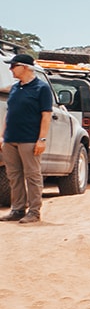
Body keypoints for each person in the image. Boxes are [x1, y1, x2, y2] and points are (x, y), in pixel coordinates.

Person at [3, 54, 53, 224]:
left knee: (32, 176)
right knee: (14, 176)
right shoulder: (15, 88)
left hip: (29, 140)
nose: (10, 69)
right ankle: (17, 209)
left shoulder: (41, 88)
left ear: (24, 67)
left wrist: (42, 140)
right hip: (11, 139)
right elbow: (9, 113)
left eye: (13, 66)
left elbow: (46, 115)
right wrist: (3, 136)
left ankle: (34, 211)